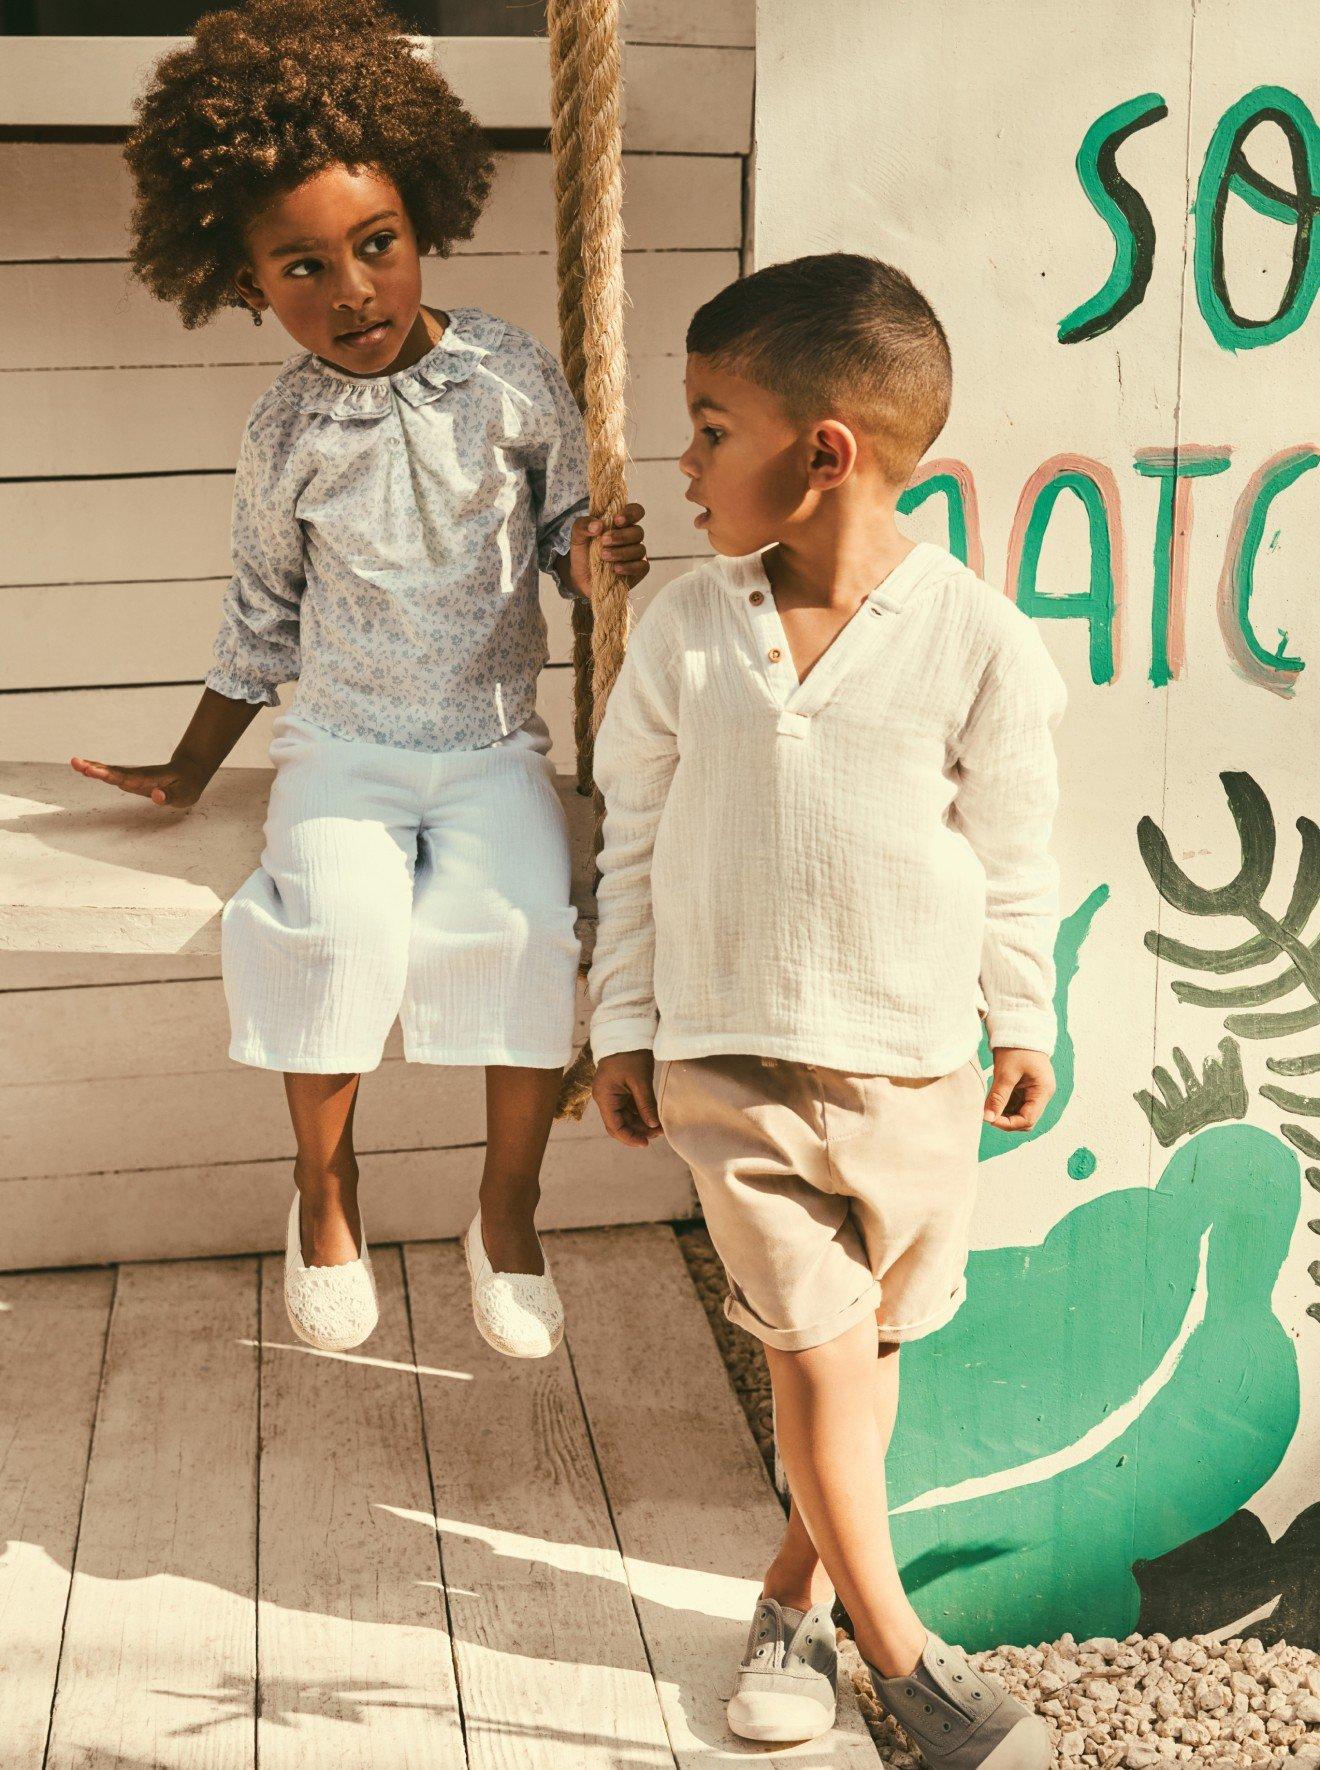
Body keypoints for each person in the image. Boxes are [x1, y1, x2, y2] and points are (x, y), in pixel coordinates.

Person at [70, 0, 648, 1360]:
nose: (352, 292)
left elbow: (568, 529)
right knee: (337, 930)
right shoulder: (286, 429)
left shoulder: (509, 375)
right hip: (341, 744)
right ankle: (324, 1191)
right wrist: (191, 762)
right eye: (300, 269)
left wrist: (595, 550)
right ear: (244, 280)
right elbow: (263, 610)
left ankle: (507, 1209)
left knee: (523, 931)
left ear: (421, 219)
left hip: (491, 742)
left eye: (375, 246)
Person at [589, 253, 1062, 1765]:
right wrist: (625, 1018)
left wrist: (1023, 1015)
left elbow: (1013, 857)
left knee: (869, 1358)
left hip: (915, 1069)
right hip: (733, 1065)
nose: (685, 461)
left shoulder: (978, 640)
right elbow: (635, 832)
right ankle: (909, 1660)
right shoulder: (684, 626)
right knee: (811, 1346)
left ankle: (792, 1594)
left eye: (711, 426)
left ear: (825, 451)